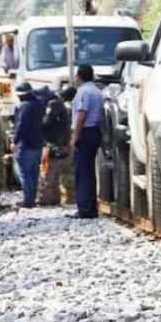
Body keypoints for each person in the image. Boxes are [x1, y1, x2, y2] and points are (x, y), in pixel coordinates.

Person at [69, 65, 103, 219]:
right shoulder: (96, 91)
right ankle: (91, 208)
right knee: (89, 172)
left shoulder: (83, 91)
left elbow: (81, 114)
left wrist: (75, 137)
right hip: (95, 132)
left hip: (85, 132)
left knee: (81, 172)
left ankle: (84, 209)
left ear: (79, 76)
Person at [38, 86, 74, 206]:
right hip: (61, 144)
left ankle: (45, 200)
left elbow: (46, 123)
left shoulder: (53, 104)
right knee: (56, 175)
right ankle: (55, 199)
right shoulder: (62, 106)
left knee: (47, 174)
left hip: (53, 145)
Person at [11, 81, 44, 208]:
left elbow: (21, 125)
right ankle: (32, 199)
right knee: (34, 173)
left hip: (27, 144)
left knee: (24, 173)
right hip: (38, 144)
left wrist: (15, 141)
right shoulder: (40, 104)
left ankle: (28, 200)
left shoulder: (25, 106)